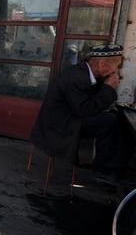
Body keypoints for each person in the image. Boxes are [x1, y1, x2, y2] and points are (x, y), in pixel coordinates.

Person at [31, 44, 129, 176]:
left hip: (68, 118)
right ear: (103, 63)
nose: (116, 71)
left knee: (115, 116)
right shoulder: (77, 77)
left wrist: (106, 87)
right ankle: (106, 171)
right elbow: (84, 110)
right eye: (116, 66)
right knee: (109, 121)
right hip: (59, 126)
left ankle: (113, 166)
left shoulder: (86, 73)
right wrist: (109, 88)